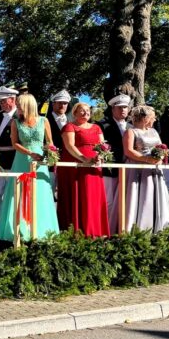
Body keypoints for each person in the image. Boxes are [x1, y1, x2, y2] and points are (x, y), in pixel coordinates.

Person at [0, 93, 59, 241]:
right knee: (18, 193)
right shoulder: (15, 123)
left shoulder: (44, 121)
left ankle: (42, 230)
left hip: (40, 163)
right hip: (22, 160)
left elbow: (50, 141)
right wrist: (30, 152)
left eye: (20, 105)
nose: (18, 108)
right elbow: (15, 143)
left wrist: (50, 154)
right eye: (17, 105)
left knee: (40, 193)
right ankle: (18, 231)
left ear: (28, 105)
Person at [57, 102, 110, 237]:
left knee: (93, 197)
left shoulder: (97, 127)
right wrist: (84, 159)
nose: (86, 113)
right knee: (78, 196)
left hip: (93, 167)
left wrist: (101, 157)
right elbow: (70, 146)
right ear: (74, 113)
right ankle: (76, 231)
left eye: (88, 110)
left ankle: (95, 231)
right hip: (76, 167)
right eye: (82, 111)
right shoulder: (70, 126)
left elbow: (103, 145)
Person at [122, 106, 169, 232]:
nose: (155, 119)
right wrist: (147, 160)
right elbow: (128, 151)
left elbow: (161, 146)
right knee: (141, 196)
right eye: (153, 117)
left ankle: (159, 226)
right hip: (139, 169)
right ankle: (139, 227)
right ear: (145, 118)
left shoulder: (154, 132)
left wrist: (161, 156)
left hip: (155, 168)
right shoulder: (131, 131)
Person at [0, 86, 19, 229]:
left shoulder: (19, 117)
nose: (0, 104)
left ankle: (10, 227)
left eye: (3, 101)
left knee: (11, 198)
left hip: (12, 163)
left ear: (12, 100)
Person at [100, 94, 130, 233]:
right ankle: (106, 231)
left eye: (125, 107)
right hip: (110, 168)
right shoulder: (103, 125)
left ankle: (121, 229)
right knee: (109, 201)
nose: (123, 110)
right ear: (113, 109)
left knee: (126, 201)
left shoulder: (132, 125)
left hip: (129, 169)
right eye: (119, 107)